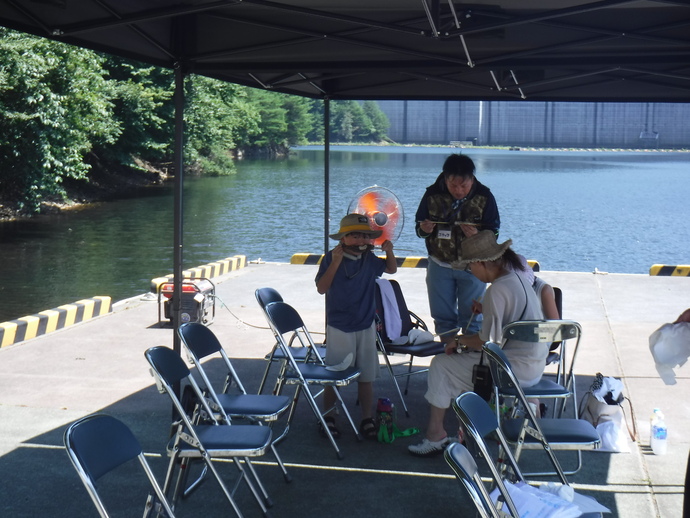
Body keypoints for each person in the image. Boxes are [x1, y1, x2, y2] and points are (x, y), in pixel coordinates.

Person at [408, 231, 545, 456]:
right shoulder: (517, 278)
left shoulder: (497, 290)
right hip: (533, 366)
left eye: (470, 267)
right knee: (458, 367)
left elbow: (487, 341)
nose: (470, 272)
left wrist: (457, 341)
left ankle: (436, 435)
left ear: (481, 263)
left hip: (513, 370)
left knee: (442, 364)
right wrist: (485, 311)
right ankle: (472, 431)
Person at [315, 213, 397, 440]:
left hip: (365, 322)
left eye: (363, 236)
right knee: (335, 374)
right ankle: (329, 416)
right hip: (340, 325)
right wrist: (337, 262)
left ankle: (366, 418)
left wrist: (389, 251)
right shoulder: (331, 258)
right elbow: (322, 288)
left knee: (366, 375)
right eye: (353, 236)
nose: (359, 240)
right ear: (343, 238)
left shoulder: (369, 259)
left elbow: (391, 270)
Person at [415, 154, 500, 347]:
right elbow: (419, 229)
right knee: (443, 318)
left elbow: (494, 231)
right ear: (446, 179)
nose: (458, 190)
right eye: (454, 186)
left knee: (473, 317)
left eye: (463, 186)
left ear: (472, 179)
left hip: (473, 266)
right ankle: (448, 353)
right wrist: (424, 230)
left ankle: (471, 359)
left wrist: (478, 234)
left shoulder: (485, 196)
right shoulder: (432, 194)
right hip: (439, 263)